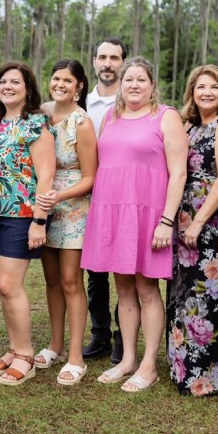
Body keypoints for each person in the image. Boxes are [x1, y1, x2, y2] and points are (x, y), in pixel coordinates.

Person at [81, 56, 187, 393]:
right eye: (129, 80)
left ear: (152, 84)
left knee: (146, 288)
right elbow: (104, 165)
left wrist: (166, 221)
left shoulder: (166, 117)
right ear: (121, 85)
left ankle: (148, 365)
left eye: (141, 79)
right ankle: (127, 358)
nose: (135, 85)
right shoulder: (111, 117)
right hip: (112, 212)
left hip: (149, 214)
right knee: (123, 287)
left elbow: (179, 172)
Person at [165, 64, 218, 398]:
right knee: (186, 293)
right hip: (183, 217)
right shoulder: (188, 124)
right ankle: (187, 370)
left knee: (217, 292)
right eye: (201, 86)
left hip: (215, 220)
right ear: (191, 91)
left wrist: (199, 220)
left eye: (214, 87)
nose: (206, 93)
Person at [0, 61, 56, 386]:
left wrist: (39, 221)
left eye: (15, 82)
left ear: (28, 89)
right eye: (3, 82)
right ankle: (12, 348)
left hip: (21, 217)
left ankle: (25, 355)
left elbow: (47, 175)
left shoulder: (36, 124)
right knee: (3, 287)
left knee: (10, 286)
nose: (8, 86)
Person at [34, 59, 98, 385]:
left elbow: (90, 177)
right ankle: (55, 345)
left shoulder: (82, 123)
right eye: (56, 78)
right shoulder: (43, 114)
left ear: (79, 87)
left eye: (68, 80)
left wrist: (59, 196)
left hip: (73, 208)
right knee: (51, 279)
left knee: (71, 279)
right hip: (44, 206)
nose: (60, 84)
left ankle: (75, 356)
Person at [82, 37, 128, 364]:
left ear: (123, 62)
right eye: (102, 57)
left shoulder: (132, 104)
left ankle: (123, 337)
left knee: (124, 267)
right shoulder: (82, 104)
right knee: (95, 271)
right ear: (94, 61)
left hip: (124, 197)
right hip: (87, 196)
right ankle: (99, 332)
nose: (108, 63)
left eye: (114, 57)